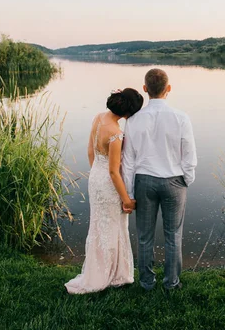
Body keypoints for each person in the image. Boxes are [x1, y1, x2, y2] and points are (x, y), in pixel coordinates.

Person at [122, 68, 197, 291]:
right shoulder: (181, 117)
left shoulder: (133, 120)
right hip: (174, 181)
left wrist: (129, 193)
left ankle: (146, 283)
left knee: (144, 236)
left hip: (144, 182)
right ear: (169, 89)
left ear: (145, 89)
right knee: (173, 235)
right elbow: (189, 155)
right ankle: (171, 283)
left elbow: (128, 160)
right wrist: (186, 180)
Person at [65, 88, 144, 294]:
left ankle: (105, 270)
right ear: (127, 113)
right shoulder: (116, 134)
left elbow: (90, 151)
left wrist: (95, 174)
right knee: (112, 227)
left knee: (100, 226)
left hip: (95, 178)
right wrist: (126, 199)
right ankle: (111, 274)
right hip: (109, 183)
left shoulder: (99, 118)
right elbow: (114, 171)